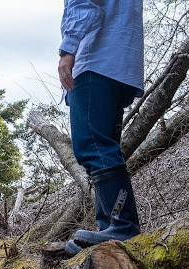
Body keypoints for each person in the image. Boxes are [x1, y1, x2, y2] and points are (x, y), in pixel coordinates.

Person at [58, 0, 145, 255]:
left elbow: (84, 3)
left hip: (96, 60)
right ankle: (109, 230)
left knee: (92, 145)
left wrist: (68, 48)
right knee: (104, 146)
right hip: (122, 64)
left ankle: (122, 225)